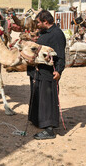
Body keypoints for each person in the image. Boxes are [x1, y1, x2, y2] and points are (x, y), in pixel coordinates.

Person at [27, 10, 66, 140]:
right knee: (38, 97)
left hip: (48, 73)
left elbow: (60, 55)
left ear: (46, 22)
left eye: (38, 22)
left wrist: (59, 71)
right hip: (38, 72)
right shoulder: (45, 32)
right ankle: (38, 120)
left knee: (47, 100)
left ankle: (49, 129)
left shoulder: (57, 34)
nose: (37, 24)